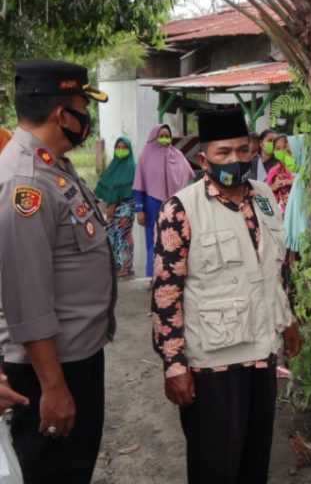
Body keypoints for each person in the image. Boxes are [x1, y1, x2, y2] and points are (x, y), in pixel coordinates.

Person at [151, 107, 301, 484]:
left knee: (254, 466)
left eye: (242, 150)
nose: (235, 159)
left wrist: (288, 320)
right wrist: (174, 366)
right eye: (223, 153)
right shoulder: (180, 209)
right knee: (214, 469)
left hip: (260, 357)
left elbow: (276, 269)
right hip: (211, 364)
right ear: (204, 158)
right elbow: (166, 295)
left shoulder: (265, 196)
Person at [0, 60, 115, 483]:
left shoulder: (54, 166)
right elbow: (26, 299)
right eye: (83, 105)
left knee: (73, 468)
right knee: (55, 473)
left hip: (75, 358)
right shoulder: (25, 182)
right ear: (61, 115)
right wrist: (53, 387)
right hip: (49, 368)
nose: (88, 117)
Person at [133, 123, 194, 278]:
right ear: (154, 137)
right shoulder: (144, 157)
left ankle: (173, 275)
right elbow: (139, 186)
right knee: (153, 242)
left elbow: (189, 178)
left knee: (175, 239)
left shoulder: (177, 155)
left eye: (167, 136)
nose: (165, 139)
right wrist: (139, 209)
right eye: (161, 136)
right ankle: (152, 277)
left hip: (175, 205)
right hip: (152, 205)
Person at [95, 136, 137, 277]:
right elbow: (107, 187)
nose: (120, 150)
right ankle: (118, 265)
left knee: (123, 235)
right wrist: (108, 206)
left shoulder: (131, 167)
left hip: (125, 207)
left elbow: (126, 190)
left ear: (129, 149)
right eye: (118, 147)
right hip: (112, 208)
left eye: (124, 147)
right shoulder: (113, 166)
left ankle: (126, 266)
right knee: (113, 235)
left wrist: (113, 205)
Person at [266, 134, 296, 215]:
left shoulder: (298, 166)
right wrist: (274, 186)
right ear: (274, 151)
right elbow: (265, 191)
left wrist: (288, 181)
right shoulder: (274, 171)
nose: (281, 151)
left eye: (284, 148)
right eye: (278, 148)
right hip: (280, 212)